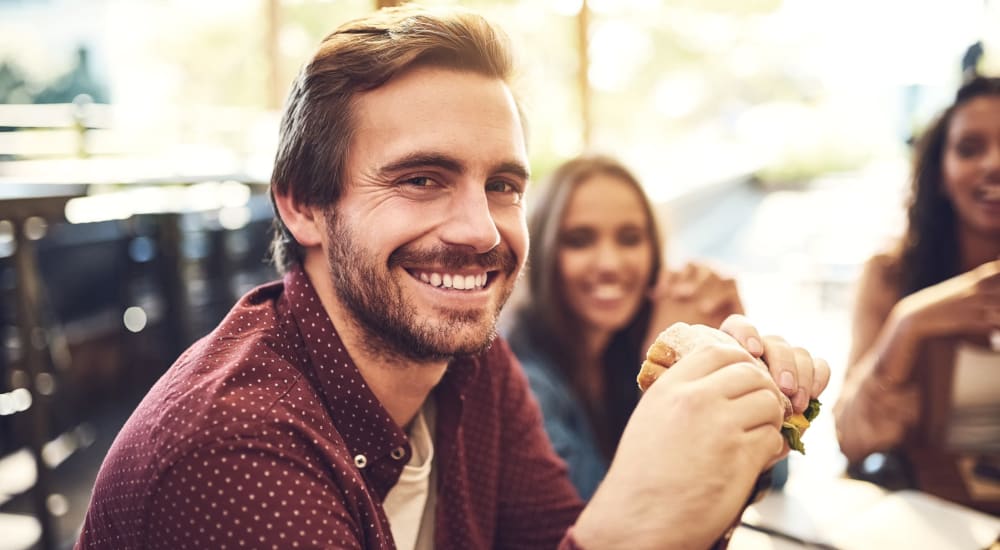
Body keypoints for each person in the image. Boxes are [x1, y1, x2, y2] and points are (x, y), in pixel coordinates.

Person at [76, 6, 830, 549]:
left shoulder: (471, 365)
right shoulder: (230, 455)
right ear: (305, 205)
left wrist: (721, 448)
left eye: (502, 185)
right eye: (422, 179)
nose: (480, 229)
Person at [504, 154, 756, 499]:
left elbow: (769, 465)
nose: (609, 263)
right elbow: (597, 513)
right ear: (543, 252)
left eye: (629, 238)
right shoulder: (521, 380)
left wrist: (732, 345)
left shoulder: (622, 347)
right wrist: (667, 376)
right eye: (579, 240)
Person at [833, 76, 1000, 469]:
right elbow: (851, 439)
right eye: (969, 149)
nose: (994, 165)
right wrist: (907, 323)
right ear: (941, 173)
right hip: (930, 505)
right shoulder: (890, 274)